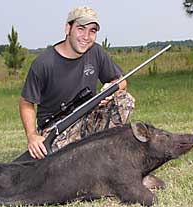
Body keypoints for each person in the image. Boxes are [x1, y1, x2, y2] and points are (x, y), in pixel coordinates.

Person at [18, 6, 135, 160]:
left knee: (124, 99)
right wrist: (32, 136)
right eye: (81, 28)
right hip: (58, 127)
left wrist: (110, 89)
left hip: (88, 115)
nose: (86, 36)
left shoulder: (96, 52)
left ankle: (104, 150)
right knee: (65, 161)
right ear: (68, 28)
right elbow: (26, 102)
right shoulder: (43, 63)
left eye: (92, 31)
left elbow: (121, 81)